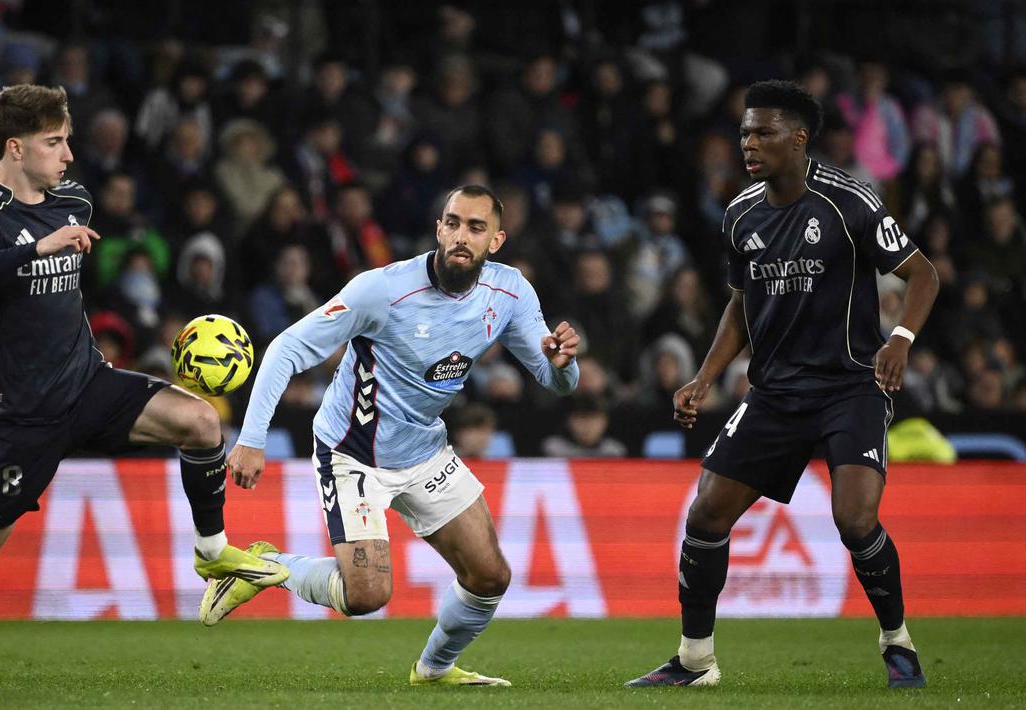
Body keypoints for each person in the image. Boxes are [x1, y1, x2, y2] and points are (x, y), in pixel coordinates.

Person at [0, 85, 287, 690]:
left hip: (89, 383)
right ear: (15, 147)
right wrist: (38, 248)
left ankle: (213, 554)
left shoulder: (76, 201)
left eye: (67, 141)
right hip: (23, 414)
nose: (67, 154)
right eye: (54, 142)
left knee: (201, 423)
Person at [626, 80, 939, 690]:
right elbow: (741, 305)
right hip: (773, 394)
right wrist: (704, 376)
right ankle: (694, 661)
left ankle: (896, 641)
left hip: (850, 385)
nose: (749, 142)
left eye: (763, 132)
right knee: (707, 513)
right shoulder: (740, 214)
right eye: (745, 131)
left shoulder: (850, 202)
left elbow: (922, 273)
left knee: (854, 519)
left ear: (799, 138)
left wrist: (899, 339)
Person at [217, 185, 580, 686]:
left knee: (490, 576)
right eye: (452, 223)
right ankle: (268, 563)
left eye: (475, 228)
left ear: (495, 241)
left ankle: (433, 669)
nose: (460, 236)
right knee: (366, 595)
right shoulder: (382, 290)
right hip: (353, 454)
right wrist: (251, 438)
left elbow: (554, 378)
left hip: (424, 450)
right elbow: (286, 349)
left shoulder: (511, 291)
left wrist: (565, 366)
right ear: (438, 228)